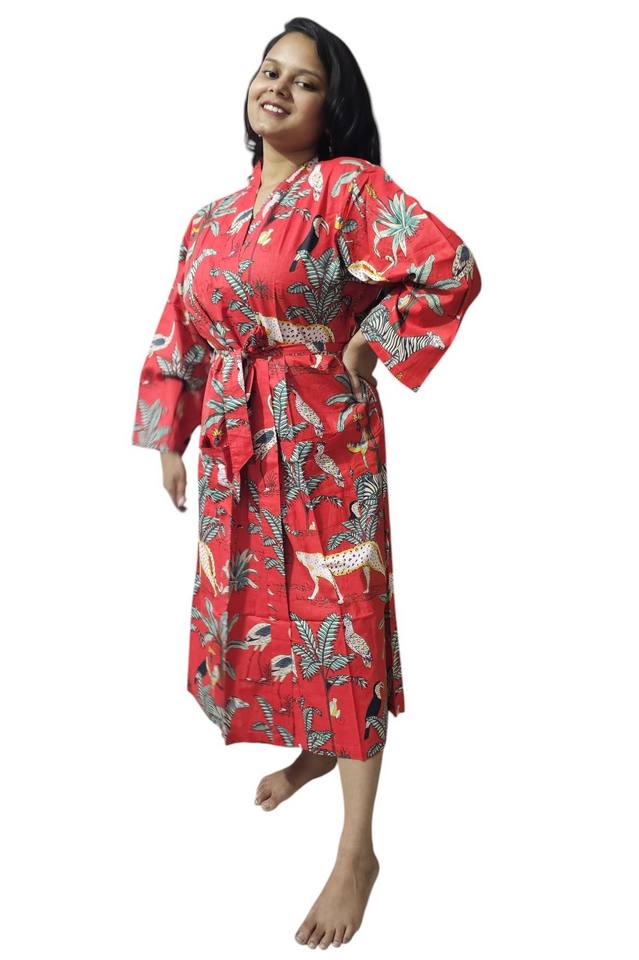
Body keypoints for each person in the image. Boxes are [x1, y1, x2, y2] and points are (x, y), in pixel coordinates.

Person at [131, 16, 481, 948]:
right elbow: (180, 329)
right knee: (268, 608)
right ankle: (315, 746)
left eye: (305, 81)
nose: (277, 88)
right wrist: (171, 433)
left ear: (333, 110)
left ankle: (357, 851)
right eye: (268, 70)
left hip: (324, 432)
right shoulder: (209, 220)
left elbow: (448, 266)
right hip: (237, 443)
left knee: (343, 618)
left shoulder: (347, 188)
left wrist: (375, 341)